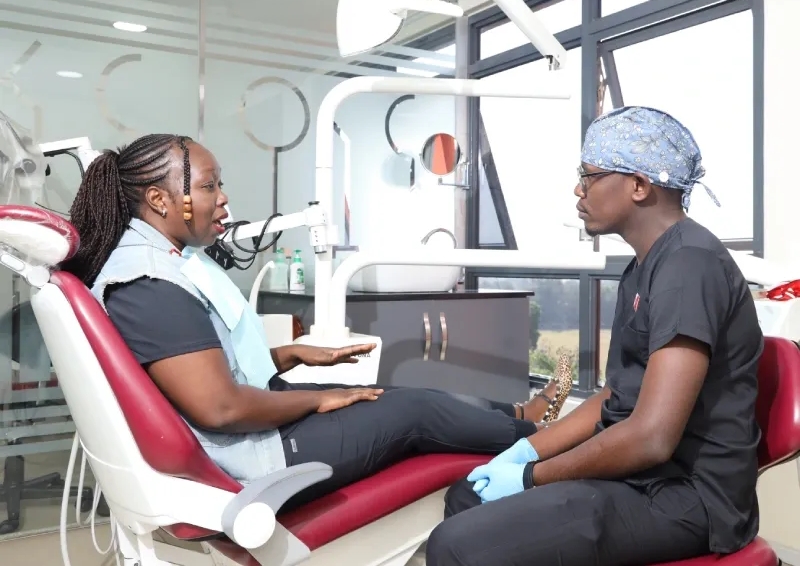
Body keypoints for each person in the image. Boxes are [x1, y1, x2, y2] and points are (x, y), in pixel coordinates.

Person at [60, 133, 572, 508]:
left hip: (253, 436)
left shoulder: (149, 264)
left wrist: (286, 356)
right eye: (211, 186)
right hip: (256, 458)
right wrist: (318, 398)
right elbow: (219, 407)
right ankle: (540, 436)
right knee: (416, 410)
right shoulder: (148, 282)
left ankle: (518, 416)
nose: (224, 198)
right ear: (159, 199)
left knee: (396, 387)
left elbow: (189, 362)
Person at [426, 106, 763, 566]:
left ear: (639, 186)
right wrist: (522, 451)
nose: (577, 189)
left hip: (688, 496)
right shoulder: (643, 267)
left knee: (456, 545)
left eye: (589, 176)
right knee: (467, 497)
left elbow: (652, 438)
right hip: (642, 476)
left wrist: (530, 477)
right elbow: (614, 397)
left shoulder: (690, 267)